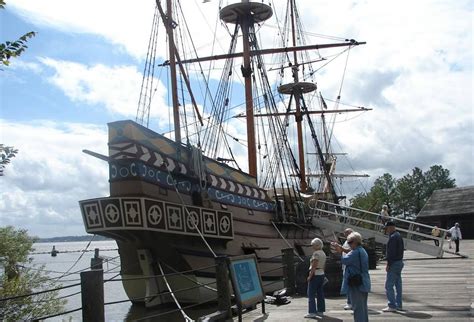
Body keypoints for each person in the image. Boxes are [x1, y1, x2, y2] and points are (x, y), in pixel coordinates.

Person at [332, 232, 371, 322]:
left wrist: (339, 251)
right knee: (363, 306)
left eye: (349, 242)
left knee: (357, 307)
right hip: (364, 281)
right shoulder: (361, 250)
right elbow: (350, 252)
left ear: (355, 242)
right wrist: (342, 248)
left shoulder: (355, 252)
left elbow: (345, 260)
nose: (348, 244)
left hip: (357, 283)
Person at [383, 221, 404, 312]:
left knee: (388, 285)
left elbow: (391, 253)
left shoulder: (392, 237)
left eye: (386, 228)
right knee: (398, 284)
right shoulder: (398, 235)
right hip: (400, 262)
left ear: (390, 227)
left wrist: (388, 264)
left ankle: (392, 305)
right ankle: (399, 304)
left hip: (394, 263)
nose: (386, 230)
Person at [305, 238, 326, 318]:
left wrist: (310, 276)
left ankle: (312, 312)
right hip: (321, 273)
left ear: (317, 245)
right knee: (320, 293)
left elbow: (314, 266)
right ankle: (321, 311)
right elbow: (324, 265)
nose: (312, 246)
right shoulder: (323, 253)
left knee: (311, 294)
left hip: (315, 274)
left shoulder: (316, 254)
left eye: (313, 245)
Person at [342, 228, 354, 310]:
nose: (345, 234)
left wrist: (340, 248)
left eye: (347, 233)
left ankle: (350, 302)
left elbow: (350, 251)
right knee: (348, 284)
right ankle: (349, 301)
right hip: (345, 266)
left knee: (350, 285)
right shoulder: (346, 241)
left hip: (349, 266)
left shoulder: (351, 242)